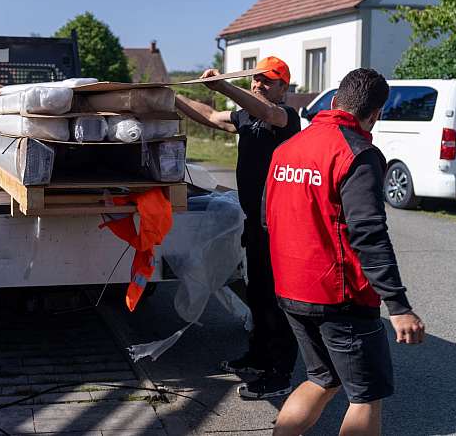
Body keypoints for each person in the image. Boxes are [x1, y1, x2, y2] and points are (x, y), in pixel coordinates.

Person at [264, 68, 425, 436]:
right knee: (365, 396)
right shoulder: (358, 153)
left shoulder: (287, 149)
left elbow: (267, 216)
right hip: (340, 297)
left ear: (335, 101)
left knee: (322, 379)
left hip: (290, 288)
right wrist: (398, 307)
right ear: (375, 114)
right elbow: (369, 234)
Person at [175, 56, 300, 399]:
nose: (259, 85)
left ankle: (279, 373)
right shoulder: (247, 115)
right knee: (257, 293)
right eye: (255, 80)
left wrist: (224, 86)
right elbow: (212, 115)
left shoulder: (287, 117)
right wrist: (171, 97)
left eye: (268, 81)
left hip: (278, 225)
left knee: (277, 299)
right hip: (254, 223)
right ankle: (258, 356)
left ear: (283, 88)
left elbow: (267, 114)